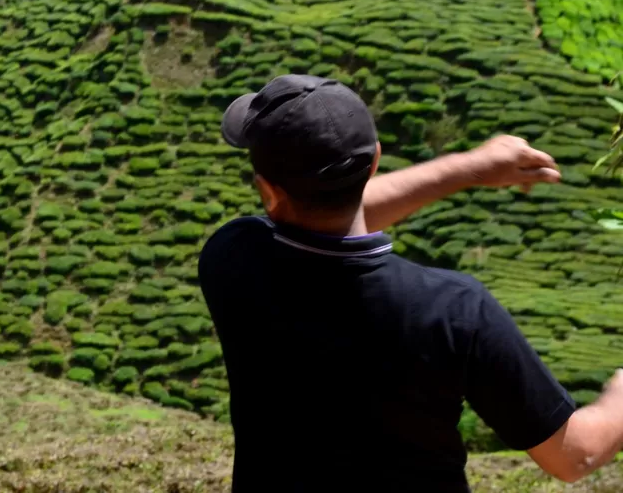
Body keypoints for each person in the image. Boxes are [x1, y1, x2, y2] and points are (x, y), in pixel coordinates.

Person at [198, 73, 623, 492]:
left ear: (267, 192)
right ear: (375, 161)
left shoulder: (232, 258)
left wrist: (469, 169)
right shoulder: (457, 310)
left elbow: (318, 215)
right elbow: (573, 455)